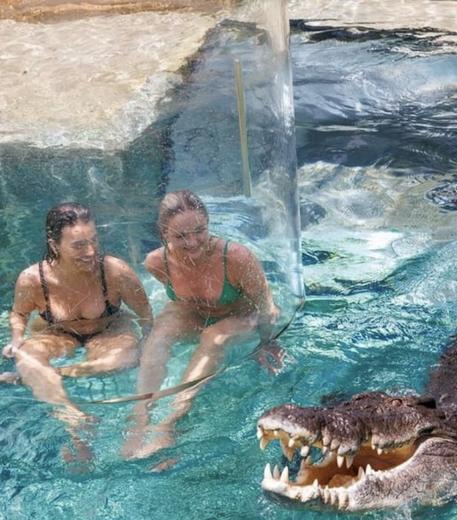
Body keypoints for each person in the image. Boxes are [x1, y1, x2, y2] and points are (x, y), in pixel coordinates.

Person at [122, 189, 284, 459]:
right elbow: (181, 302)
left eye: (200, 231)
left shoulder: (236, 258)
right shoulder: (155, 263)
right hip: (196, 312)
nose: (193, 242)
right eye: (180, 236)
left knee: (214, 336)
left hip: (243, 314)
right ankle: (140, 420)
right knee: (158, 336)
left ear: (209, 225)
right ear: (164, 234)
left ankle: (170, 423)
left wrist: (267, 341)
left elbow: (264, 305)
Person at [2, 202, 153, 443]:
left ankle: (41, 376)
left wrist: (147, 343)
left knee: (123, 360)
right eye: (79, 245)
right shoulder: (33, 279)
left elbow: (145, 312)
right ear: (55, 245)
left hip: (108, 329)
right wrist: (17, 339)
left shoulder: (115, 272)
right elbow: (19, 314)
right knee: (28, 355)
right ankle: (69, 414)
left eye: (94, 240)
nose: (91, 251)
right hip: (56, 333)